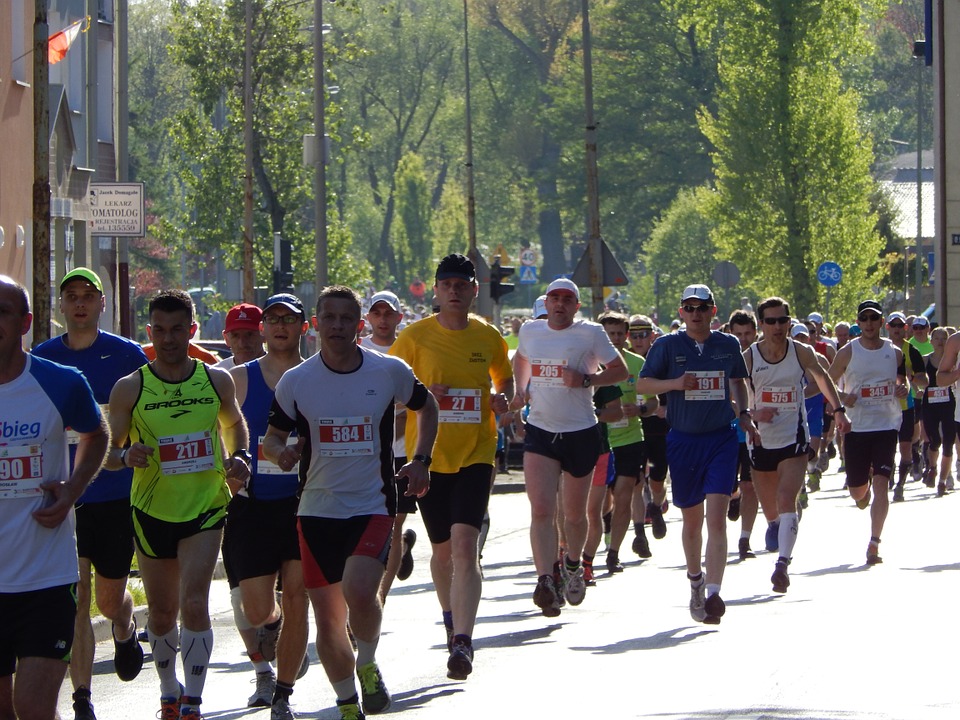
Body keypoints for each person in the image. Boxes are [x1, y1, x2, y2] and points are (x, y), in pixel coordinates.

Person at [263, 285, 438, 720]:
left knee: (360, 591)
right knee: (326, 619)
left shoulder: (387, 371)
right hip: (316, 511)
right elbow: (272, 438)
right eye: (330, 318)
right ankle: (346, 703)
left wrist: (421, 461)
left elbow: (428, 406)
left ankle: (367, 661)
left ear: (358, 325)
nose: (338, 326)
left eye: (347, 318)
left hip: (372, 504)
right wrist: (278, 453)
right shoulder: (297, 381)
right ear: (317, 324)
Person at [105, 289, 251, 720]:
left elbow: (235, 427)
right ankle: (169, 691)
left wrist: (239, 457)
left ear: (192, 330)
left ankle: (193, 702)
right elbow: (108, 454)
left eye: (178, 330)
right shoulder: (130, 388)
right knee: (164, 611)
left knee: (194, 603)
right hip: (151, 509)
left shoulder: (214, 380)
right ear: (149, 332)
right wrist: (126, 455)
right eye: (160, 331)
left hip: (205, 507)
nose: (169, 339)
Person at [32, 268, 149, 720]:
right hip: (63, 494)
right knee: (79, 597)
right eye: (71, 296)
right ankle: (82, 698)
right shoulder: (40, 360)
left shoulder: (125, 355)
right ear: (61, 306)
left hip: (115, 493)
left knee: (106, 598)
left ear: (103, 304)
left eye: (88, 295)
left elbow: (147, 413)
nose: (79, 303)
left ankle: (123, 624)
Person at [390, 254, 514, 679]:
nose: (456, 290)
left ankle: (463, 640)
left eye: (463, 284)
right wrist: (422, 397)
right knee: (442, 552)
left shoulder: (489, 336)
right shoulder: (413, 338)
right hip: (428, 459)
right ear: (437, 290)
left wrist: (503, 399)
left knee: (466, 546)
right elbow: (387, 395)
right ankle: (450, 618)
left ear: (474, 290)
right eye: (448, 284)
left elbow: (505, 380)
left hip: (477, 452)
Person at [0, 275, 109, 720]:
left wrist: (72, 490)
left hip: (45, 576)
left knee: (32, 706)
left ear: (25, 322)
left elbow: (95, 433)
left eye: (2, 313)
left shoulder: (59, 382)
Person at [511, 278, 628, 617]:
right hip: (541, 431)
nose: (560, 304)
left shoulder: (590, 333)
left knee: (575, 516)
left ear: (577, 306)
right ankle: (546, 578)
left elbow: (619, 371)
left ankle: (573, 565)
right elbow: (520, 359)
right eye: (554, 298)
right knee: (542, 510)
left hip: (580, 432)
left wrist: (587, 380)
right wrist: (521, 391)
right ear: (546, 303)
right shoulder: (531, 332)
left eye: (567, 299)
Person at [636, 284, 750, 625]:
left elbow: (738, 382)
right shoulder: (666, 346)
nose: (696, 313)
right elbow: (643, 385)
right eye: (690, 307)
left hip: (721, 438)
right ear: (681, 311)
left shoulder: (727, 344)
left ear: (713, 311)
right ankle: (696, 580)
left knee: (715, 517)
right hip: (683, 440)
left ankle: (714, 593)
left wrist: (743, 413)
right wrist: (674, 384)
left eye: (703, 307)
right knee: (692, 520)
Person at [223, 294, 310, 719]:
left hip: (303, 503)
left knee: (298, 597)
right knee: (256, 608)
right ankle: (275, 629)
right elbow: (211, 430)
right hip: (252, 505)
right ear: (263, 329)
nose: (279, 326)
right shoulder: (239, 380)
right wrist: (227, 465)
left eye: (288, 320)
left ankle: (283, 695)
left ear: (301, 328)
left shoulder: (317, 376)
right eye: (272, 319)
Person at [742, 298, 849, 593]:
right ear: (761, 325)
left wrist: (838, 411)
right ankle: (777, 526)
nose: (778, 326)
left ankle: (782, 565)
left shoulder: (800, 351)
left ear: (789, 322)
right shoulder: (749, 357)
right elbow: (733, 395)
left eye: (782, 320)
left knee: (787, 497)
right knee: (772, 511)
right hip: (761, 439)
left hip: (794, 437)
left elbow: (822, 377)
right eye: (771, 321)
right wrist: (752, 415)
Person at [828, 300, 908, 565]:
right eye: (865, 319)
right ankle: (864, 490)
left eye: (875, 319)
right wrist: (842, 398)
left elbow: (902, 381)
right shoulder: (848, 352)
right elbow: (827, 383)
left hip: (886, 425)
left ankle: (874, 543)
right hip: (856, 427)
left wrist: (902, 389)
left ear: (881, 322)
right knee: (857, 491)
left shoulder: (894, 352)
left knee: (884, 483)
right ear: (858, 323)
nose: (870, 324)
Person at [361, 291, 418, 601]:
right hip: (366, 453)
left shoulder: (410, 350)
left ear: (399, 317)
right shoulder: (357, 351)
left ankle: (379, 598)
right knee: (369, 525)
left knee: (394, 525)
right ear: (368, 318)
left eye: (389, 313)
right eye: (377, 313)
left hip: (401, 452)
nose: (383, 319)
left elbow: (420, 400)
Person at [597, 311, 657, 573]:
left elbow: (654, 403)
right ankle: (601, 533)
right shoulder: (590, 364)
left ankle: (613, 553)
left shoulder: (637, 363)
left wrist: (641, 410)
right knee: (599, 502)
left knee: (623, 497)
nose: (617, 339)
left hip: (630, 440)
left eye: (621, 334)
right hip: (599, 441)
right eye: (611, 334)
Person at [627, 315, 669, 557]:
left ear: (652, 335)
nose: (638, 339)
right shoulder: (623, 361)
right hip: (632, 427)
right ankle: (640, 534)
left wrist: (666, 407)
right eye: (634, 334)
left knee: (657, 480)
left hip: (657, 428)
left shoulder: (660, 359)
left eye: (643, 334)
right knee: (635, 482)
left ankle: (655, 505)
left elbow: (672, 389)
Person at [727, 310, 761, 560]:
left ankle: (744, 539)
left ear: (756, 332)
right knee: (730, 487)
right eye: (738, 334)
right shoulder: (724, 358)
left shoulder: (762, 356)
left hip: (755, 434)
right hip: (727, 432)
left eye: (748, 333)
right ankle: (734, 496)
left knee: (751, 486)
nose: (743, 339)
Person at [885, 312, 928, 501]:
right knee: (886, 448)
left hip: (905, 406)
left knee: (905, 447)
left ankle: (900, 485)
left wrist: (910, 377)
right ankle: (889, 472)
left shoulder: (911, 351)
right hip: (883, 408)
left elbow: (925, 381)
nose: (896, 329)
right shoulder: (878, 348)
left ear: (905, 328)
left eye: (899, 325)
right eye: (892, 325)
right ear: (887, 327)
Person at [920, 326, 956, 495]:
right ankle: (932, 467)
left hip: (949, 405)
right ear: (931, 341)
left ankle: (942, 481)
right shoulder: (925, 360)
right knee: (934, 441)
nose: (940, 342)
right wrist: (918, 388)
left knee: (948, 444)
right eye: (937, 338)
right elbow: (915, 377)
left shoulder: (953, 361)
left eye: (944, 338)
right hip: (930, 406)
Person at [212, 303, 265, 370]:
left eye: (249, 335)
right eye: (235, 335)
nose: (242, 344)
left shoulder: (280, 372)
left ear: (264, 335)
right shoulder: (215, 375)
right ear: (226, 338)